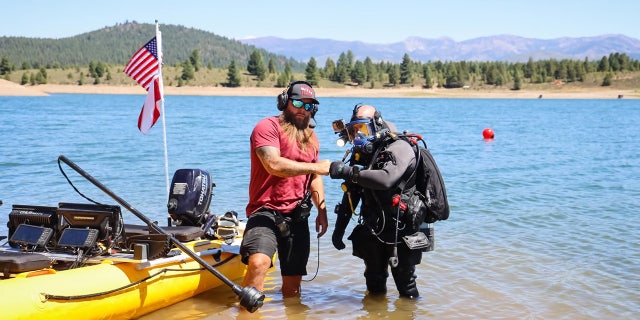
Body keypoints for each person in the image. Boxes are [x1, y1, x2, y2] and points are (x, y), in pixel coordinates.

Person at [240, 80, 331, 301]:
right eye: (298, 102)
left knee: (293, 288)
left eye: (309, 106)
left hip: (297, 217)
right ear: (284, 102)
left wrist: (322, 210)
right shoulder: (267, 127)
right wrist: (316, 167)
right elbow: (273, 164)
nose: (303, 109)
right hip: (264, 211)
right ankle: (245, 313)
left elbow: (315, 177)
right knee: (258, 263)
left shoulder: (312, 138)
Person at [329, 104, 426, 298]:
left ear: (377, 125)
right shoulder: (362, 155)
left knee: (406, 286)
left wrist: (346, 171)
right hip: (373, 227)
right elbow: (352, 193)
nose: (358, 135)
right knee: (374, 283)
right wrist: (338, 231)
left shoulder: (399, 147)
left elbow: (386, 178)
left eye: (363, 129)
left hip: (402, 229)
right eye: (354, 130)